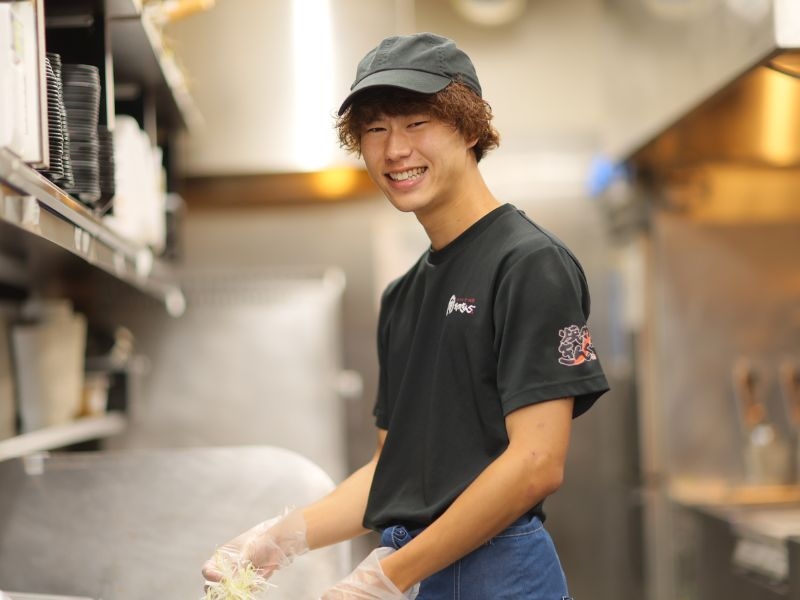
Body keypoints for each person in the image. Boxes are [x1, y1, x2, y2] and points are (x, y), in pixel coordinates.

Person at [202, 32, 610, 600]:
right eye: (375, 129)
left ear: (470, 128)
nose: (395, 149)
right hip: (419, 569)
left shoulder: (528, 263)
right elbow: (392, 468)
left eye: (417, 123)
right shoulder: (403, 295)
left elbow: (536, 463)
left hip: (498, 576)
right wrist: (277, 540)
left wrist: (387, 576)